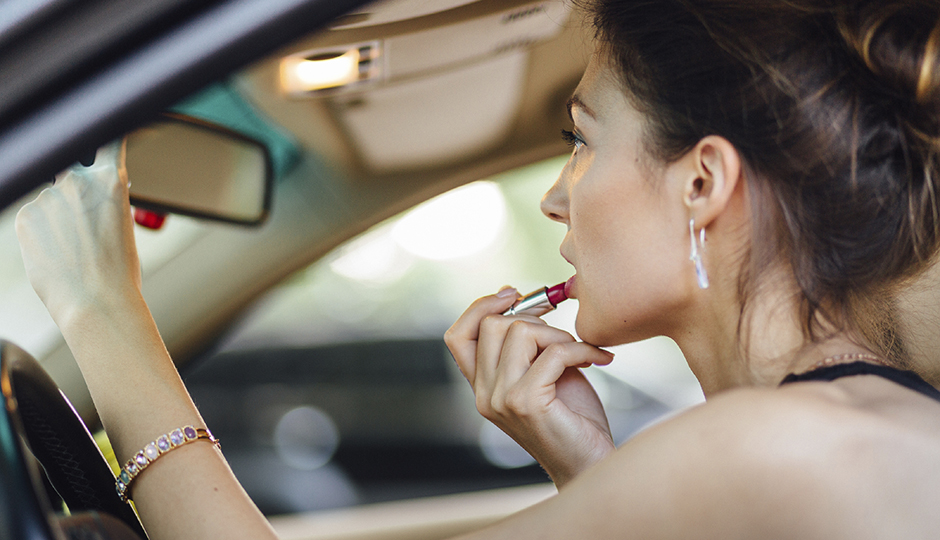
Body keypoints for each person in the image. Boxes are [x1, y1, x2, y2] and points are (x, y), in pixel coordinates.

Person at [14, 0, 940, 538]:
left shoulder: (775, 448)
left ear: (702, 182)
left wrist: (102, 304)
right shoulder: (827, 430)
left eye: (581, 141)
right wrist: (589, 471)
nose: (555, 198)